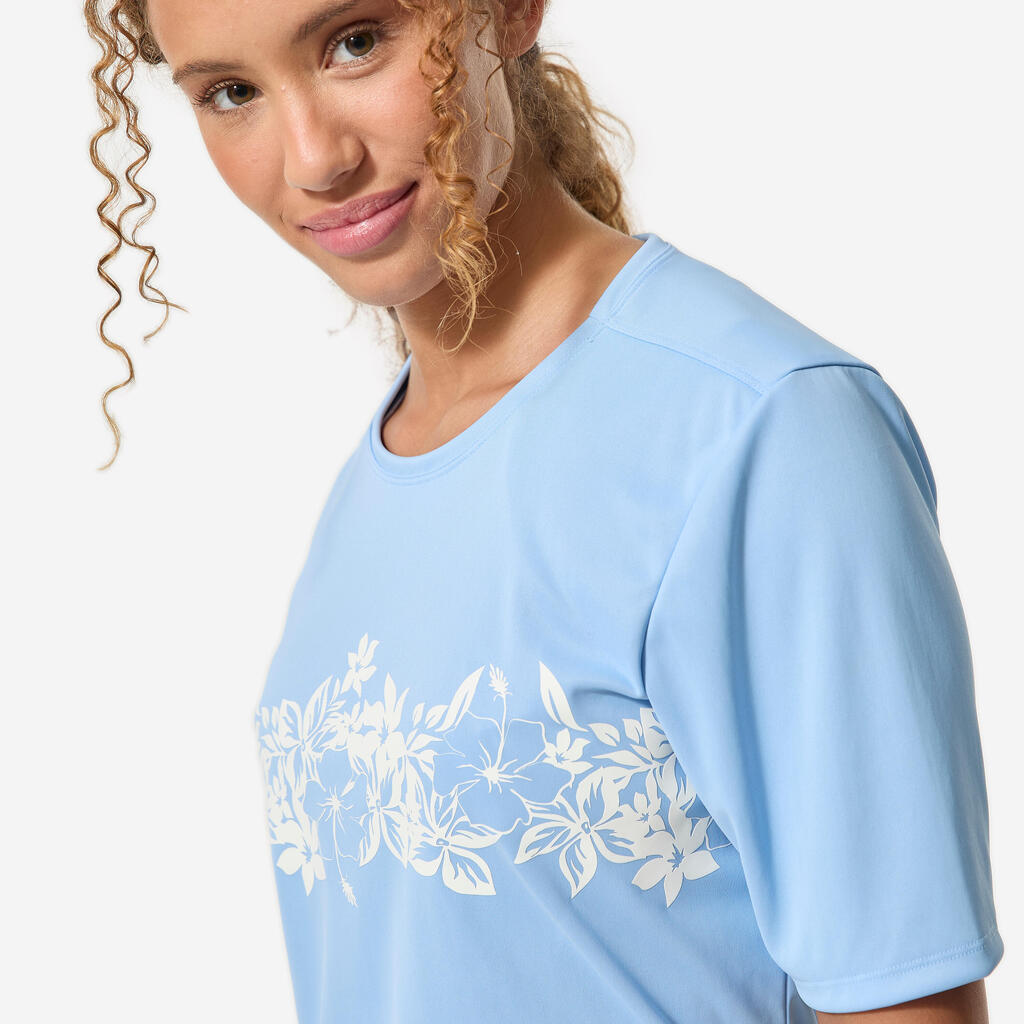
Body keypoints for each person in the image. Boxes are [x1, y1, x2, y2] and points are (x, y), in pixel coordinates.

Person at [84, 1, 1004, 1021]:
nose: (314, 159)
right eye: (231, 92)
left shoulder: (764, 431)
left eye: (357, 41)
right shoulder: (380, 473)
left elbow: (900, 999)